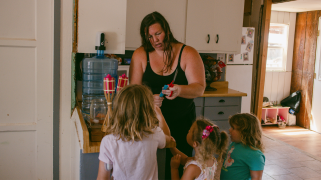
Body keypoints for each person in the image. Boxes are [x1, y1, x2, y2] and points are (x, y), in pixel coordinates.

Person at [129, 11, 206, 178]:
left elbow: (200, 88)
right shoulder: (140, 55)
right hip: (150, 126)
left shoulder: (188, 53)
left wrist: (179, 90)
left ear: (167, 31)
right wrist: (148, 99)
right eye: (149, 36)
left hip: (182, 124)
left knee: (179, 168)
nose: (154, 40)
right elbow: (132, 93)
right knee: (153, 169)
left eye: (158, 34)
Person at [96, 84, 175, 180]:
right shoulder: (154, 133)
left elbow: (102, 178)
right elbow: (168, 139)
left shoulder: (108, 141)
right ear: (148, 111)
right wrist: (159, 113)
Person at [220, 113, 265, 180]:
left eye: (233, 128)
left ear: (244, 132)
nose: (229, 130)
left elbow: (256, 178)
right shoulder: (234, 144)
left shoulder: (255, 155)